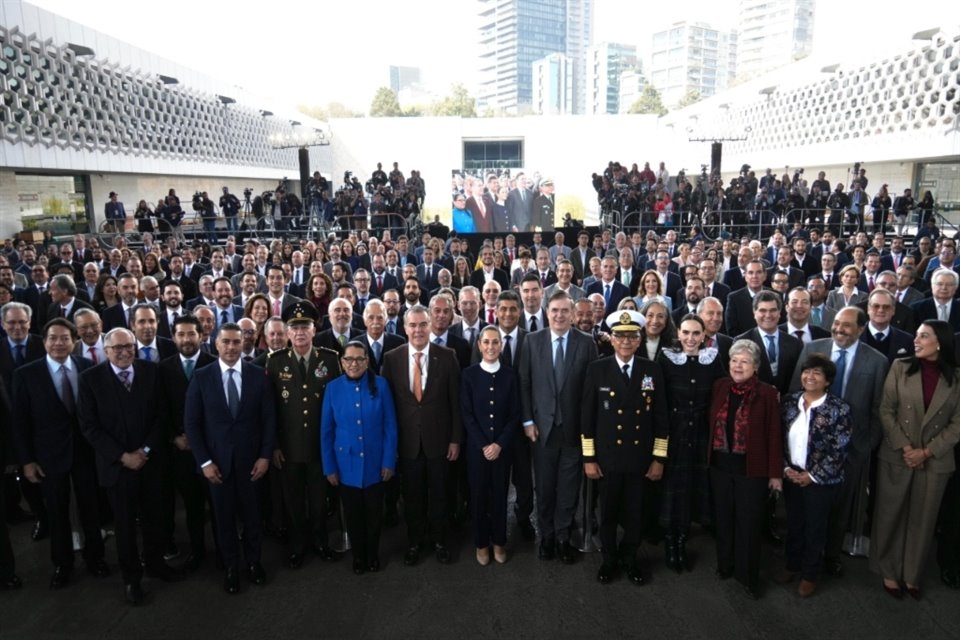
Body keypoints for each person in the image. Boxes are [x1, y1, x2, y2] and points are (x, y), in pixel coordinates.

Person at [78, 327, 182, 605]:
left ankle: (156, 565)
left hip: (151, 462)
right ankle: (131, 579)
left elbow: (162, 416)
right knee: (124, 527)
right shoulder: (90, 380)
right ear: (106, 350)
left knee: (155, 518)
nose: (124, 352)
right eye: (117, 348)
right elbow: (90, 427)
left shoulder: (151, 371)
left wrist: (145, 450)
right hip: (117, 467)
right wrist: (123, 456)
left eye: (129, 347)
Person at [12, 318, 108, 589]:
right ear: (44, 342)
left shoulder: (86, 367)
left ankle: (95, 558)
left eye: (65, 338)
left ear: (73, 341)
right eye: (53, 338)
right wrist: (27, 461)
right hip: (48, 457)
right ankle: (62, 564)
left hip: (85, 453)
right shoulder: (26, 374)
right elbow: (20, 423)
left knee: (92, 509)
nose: (58, 343)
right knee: (57, 512)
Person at [184, 323, 277, 595]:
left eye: (237, 342)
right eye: (226, 342)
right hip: (217, 465)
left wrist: (265, 456)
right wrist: (204, 463)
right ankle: (230, 567)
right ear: (215, 343)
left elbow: (269, 420)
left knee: (252, 517)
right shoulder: (202, 377)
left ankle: (253, 563)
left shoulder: (259, 375)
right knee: (223, 519)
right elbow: (192, 424)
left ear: (243, 343)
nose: (231, 347)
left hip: (252, 463)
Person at [872, 321, 960, 600]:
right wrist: (907, 447)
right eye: (916, 335)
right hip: (898, 453)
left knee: (923, 519)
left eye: (924, 336)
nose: (916, 340)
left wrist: (927, 451)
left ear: (940, 343)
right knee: (891, 513)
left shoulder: (957, 378)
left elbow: (958, 424)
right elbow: (886, 410)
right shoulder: (900, 367)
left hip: (935, 460)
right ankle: (889, 570)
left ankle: (911, 574)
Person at [582, 310, 668, 586]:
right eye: (620, 336)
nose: (626, 341)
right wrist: (589, 457)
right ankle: (609, 559)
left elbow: (661, 418)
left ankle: (630, 558)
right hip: (607, 458)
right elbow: (588, 417)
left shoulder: (652, 369)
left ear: (640, 338)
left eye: (632, 336)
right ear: (612, 339)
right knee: (606, 512)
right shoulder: (598, 368)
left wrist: (658, 458)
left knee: (635, 513)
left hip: (639, 459)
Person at [518, 291, 598, 564]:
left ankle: (563, 537)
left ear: (573, 314)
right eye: (555, 310)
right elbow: (525, 384)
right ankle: (547, 536)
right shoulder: (532, 341)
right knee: (545, 486)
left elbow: (591, 392)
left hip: (573, 430)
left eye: (565, 311)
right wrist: (528, 421)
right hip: (541, 429)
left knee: (568, 487)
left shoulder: (587, 344)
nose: (560, 315)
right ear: (546, 312)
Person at [381, 305, 462, 566]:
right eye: (412, 325)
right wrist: (390, 445)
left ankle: (439, 541)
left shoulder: (447, 356)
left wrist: (455, 439)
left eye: (422, 325)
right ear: (404, 328)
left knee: (440, 494)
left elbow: (455, 403)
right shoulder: (392, 358)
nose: (418, 330)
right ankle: (414, 542)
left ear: (431, 326)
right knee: (412, 497)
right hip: (407, 444)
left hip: (439, 442)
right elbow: (387, 406)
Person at [265, 301, 342, 569]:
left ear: (314, 329)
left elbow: (338, 406)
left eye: (305, 326)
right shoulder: (275, 363)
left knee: (320, 501)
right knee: (294, 501)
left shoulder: (330, 359)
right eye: (294, 327)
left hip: (321, 448)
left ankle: (321, 542)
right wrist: (273, 445)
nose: (299, 332)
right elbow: (270, 410)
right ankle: (298, 546)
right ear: (287, 332)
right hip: (288, 448)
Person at [709, 339, 783, 599]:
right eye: (734, 360)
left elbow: (774, 435)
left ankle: (748, 575)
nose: (738, 366)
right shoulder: (720, 386)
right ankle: (725, 565)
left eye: (744, 361)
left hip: (752, 471)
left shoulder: (767, 393)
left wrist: (775, 474)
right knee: (724, 519)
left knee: (749, 523)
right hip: (719, 468)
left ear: (756, 366)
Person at [776, 354, 852, 598]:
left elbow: (839, 449)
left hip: (820, 481)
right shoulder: (789, 402)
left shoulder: (838, 409)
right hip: (791, 475)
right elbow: (777, 439)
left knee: (815, 528)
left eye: (817, 373)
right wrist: (786, 468)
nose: (810, 377)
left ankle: (810, 574)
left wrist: (813, 476)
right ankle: (791, 564)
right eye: (807, 372)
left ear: (828, 381)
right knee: (793, 524)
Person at [321, 341, 397, 575]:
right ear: (342, 362)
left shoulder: (381, 385)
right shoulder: (332, 388)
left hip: (375, 463)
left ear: (367, 361)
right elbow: (326, 431)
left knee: (374, 515)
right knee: (353, 516)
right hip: (346, 465)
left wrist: (388, 461)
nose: (354, 364)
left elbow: (390, 427)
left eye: (359, 359)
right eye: (349, 359)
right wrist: (329, 467)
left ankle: (372, 554)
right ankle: (358, 556)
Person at [658, 315, 725, 573]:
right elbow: (660, 398)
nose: (690, 338)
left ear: (703, 335)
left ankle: (683, 539)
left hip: (700, 434)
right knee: (671, 488)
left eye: (696, 333)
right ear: (678, 333)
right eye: (685, 332)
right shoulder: (666, 358)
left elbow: (720, 395)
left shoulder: (712, 359)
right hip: (674, 432)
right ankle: (670, 542)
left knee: (692, 488)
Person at [461, 326, 521, 565]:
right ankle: (481, 543)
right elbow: (467, 414)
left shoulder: (509, 375)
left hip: (502, 451)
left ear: (501, 345)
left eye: (495, 342)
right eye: (486, 342)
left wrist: (499, 444)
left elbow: (514, 415)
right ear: (479, 345)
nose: (491, 347)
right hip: (477, 450)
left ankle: (499, 542)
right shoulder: (469, 375)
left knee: (499, 497)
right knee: (478, 497)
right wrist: (484, 445)